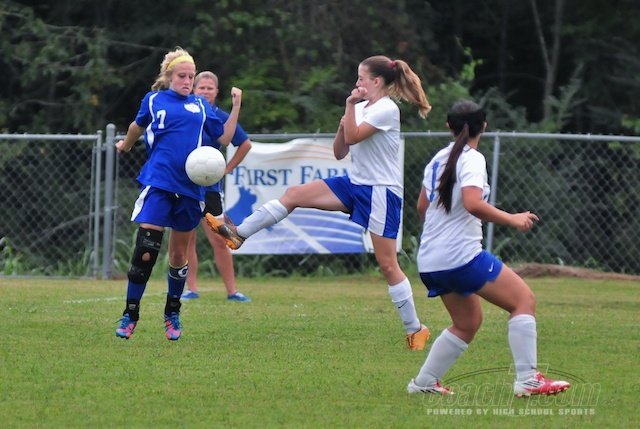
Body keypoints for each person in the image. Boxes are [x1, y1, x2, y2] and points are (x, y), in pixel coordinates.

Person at [208, 55, 432, 350]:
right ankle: (239, 234)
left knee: (388, 266)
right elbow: (340, 151)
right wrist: (345, 121)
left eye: (361, 78)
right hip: (355, 184)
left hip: (380, 191)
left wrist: (349, 109)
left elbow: (354, 136)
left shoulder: (387, 109)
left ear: (376, 82)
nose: (357, 83)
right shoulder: (361, 107)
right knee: (294, 194)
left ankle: (415, 329)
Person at [407, 100, 571, 396]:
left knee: (467, 323)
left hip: (431, 260)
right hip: (460, 258)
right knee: (523, 300)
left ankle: (423, 383)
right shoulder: (472, 159)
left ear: (448, 127)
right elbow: (472, 203)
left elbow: (422, 206)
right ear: (484, 126)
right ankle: (528, 379)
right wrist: (513, 219)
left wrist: (439, 236)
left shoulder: (438, 159)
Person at [114, 47, 242, 341]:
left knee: (178, 254)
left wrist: (236, 106)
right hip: (159, 182)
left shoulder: (201, 106)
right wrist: (126, 144)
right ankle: (130, 313)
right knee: (146, 249)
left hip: (190, 189)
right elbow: (137, 126)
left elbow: (224, 137)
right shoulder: (154, 100)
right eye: (182, 76)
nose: (187, 81)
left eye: (191, 76)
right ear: (169, 76)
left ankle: (172, 313)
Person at [182, 71, 252, 302]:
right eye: (201, 87)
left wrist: (227, 168)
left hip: (210, 189)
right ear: (194, 89)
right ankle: (191, 289)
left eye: (209, 88)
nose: (205, 91)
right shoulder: (184, 113)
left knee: (221, 239)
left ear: (216, 92)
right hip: (183, 185)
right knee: (185, 239)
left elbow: (244, 144)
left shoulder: (220, 117)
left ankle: (232, 291)